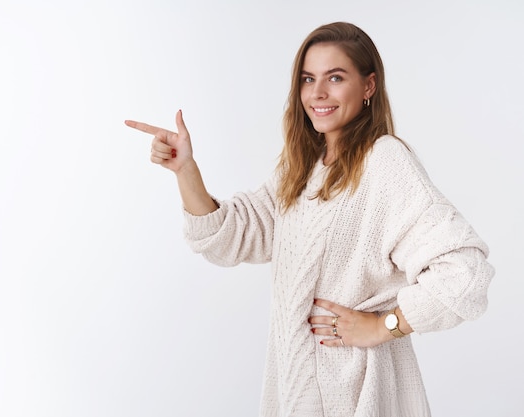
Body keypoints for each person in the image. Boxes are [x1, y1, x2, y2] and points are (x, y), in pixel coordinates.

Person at [125, 21, 494, 417]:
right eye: (307, 78)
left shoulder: (384, 161)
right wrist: (186, 170)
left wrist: (384, 325)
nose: (317, 93)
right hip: (295, 390)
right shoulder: (302, 170)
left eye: (335, 77)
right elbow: (231, 236)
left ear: (368, 86)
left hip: (353, 393)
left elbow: (464, 272)